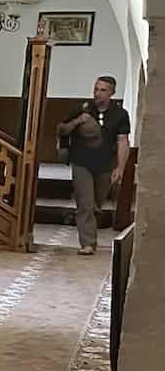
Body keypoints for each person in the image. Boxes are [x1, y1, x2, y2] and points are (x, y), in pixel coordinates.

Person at [56, 75, 131, 254]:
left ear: (112, 92)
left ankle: (89, 235)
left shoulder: (120, 114)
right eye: (96, 89)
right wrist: (76, 122)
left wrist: (120, 168)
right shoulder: (82, 108)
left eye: (103, 90)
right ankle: (88, 243)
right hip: (81, 161)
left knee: (96, 203)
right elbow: (61, 129)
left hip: (105, 165)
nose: (98, 93)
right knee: (85, 203)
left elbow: (123, 141)